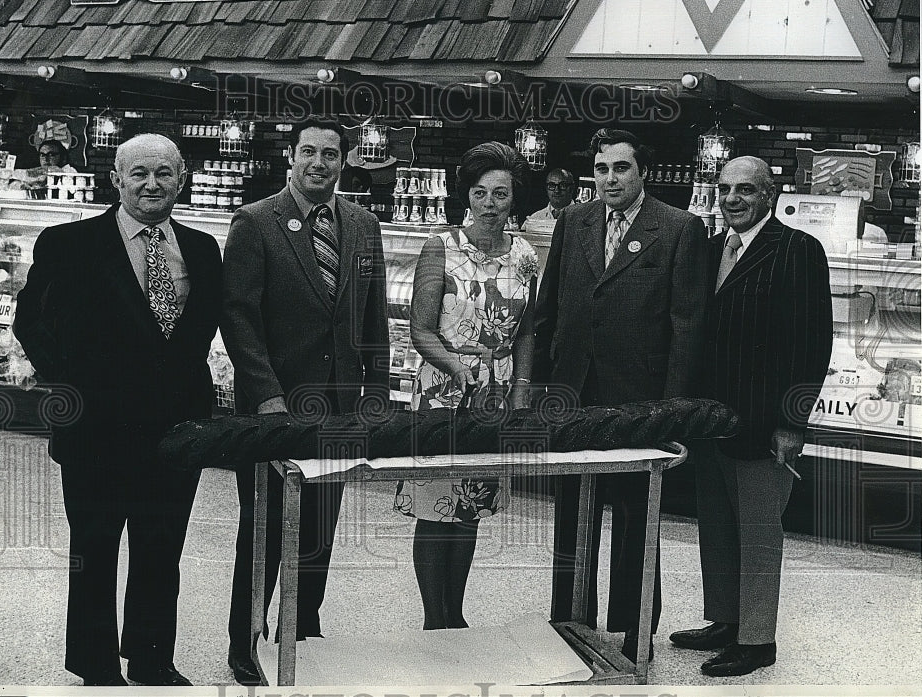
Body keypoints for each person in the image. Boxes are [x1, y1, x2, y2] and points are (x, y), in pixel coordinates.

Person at [13, 133, 222, 687]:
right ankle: (97, 664)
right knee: (97, 547)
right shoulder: (70, 243)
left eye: (163, 173)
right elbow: (30, 321)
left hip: (176, 429)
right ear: (117, 179)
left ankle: (153, 659)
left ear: (182, 179)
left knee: (161, 548)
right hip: (96, 426)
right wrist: (72, 382)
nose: (151, 184)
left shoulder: (201, 248)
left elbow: (198, 332)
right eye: (139, 174)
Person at [222, 117, 390, 685]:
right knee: (265, 526)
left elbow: (373, 317)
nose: (319, 163)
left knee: (320, 524)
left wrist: (376, 392)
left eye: (331, 155)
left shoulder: (364, 224)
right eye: (309, 152)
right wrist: (265, 395)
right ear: (290, 157)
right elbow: (239, 317)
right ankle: (244, 641)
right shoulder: (255, 222)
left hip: (339, 407)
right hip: (275, 409)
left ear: (345, 162)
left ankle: (303, 628)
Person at [532, 127, 710, 663]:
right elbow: (550, 308)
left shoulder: (679, 229)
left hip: (639, 405)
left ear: (643, 173)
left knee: (636, 520)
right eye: (602, 169)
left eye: (621, 169)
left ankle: (634, 633)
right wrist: (543, 389)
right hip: (575, 398)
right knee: (573, 516)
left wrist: (672, 414)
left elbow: (687, 327)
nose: (610, 179)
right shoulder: (575, 221)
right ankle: (569, 623)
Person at [669, 156, 832, 677]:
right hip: (713, 420)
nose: (732, 199)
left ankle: (758, 639)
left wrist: (793, 422)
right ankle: (724, 620)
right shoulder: (713, 248)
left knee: (760, 534)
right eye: (724, 189)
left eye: (745, 190)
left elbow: (814, 344)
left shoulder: (798, 250)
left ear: (769, 195)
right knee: (716, 526)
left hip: (765, 424)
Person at [394, 141, 537, 630]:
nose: (490, 203)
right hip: (443, 389)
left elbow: (529, 331)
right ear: (466, 195)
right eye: (480, 192)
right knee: (437, 505)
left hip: (494, 393)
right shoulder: (441, 246)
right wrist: (457, 367)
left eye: (500, 193)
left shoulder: (525, 254)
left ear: (514, 198)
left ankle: (456, 614)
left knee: (470, 503)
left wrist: (520, 388)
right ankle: (435, 617)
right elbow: (421, 328)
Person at [522, 167, 576, 232]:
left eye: (562, 185)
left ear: (572, 188)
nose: (557, 190)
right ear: (546, 189)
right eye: (552, 185)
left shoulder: (583, 218)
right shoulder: (534, 219)